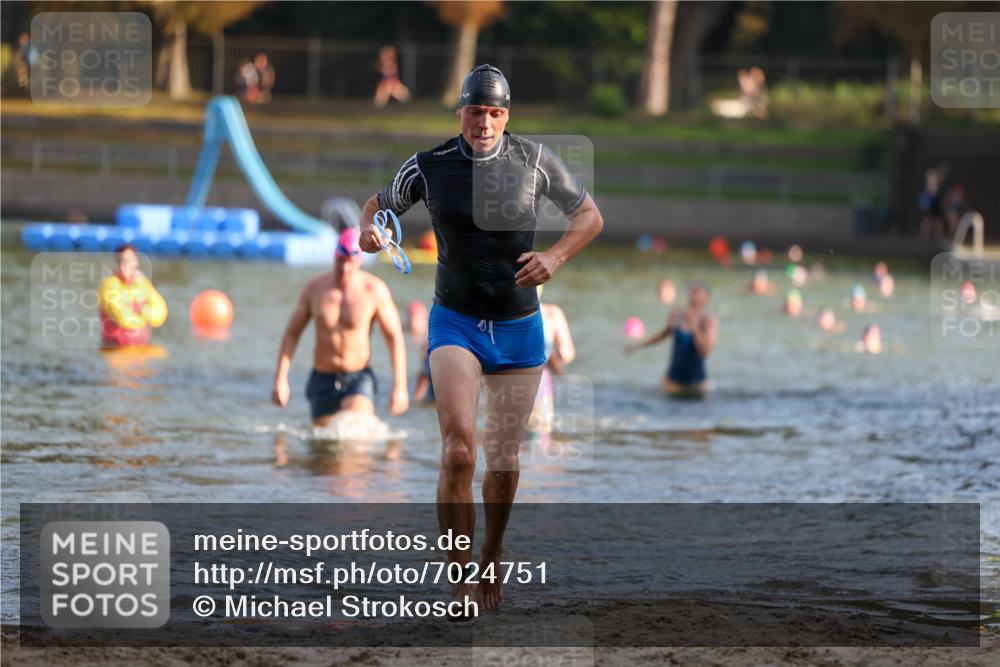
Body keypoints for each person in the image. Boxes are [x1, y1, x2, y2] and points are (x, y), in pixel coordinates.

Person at [359, 64, 603, 612]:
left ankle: (491, 553)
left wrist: (556, 255)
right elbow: (378, 206)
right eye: (476, 112)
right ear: (461, 112)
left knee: (504, 457)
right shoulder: (427, 166)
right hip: (455, 322)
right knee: (460, 451)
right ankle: (459, 577)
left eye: (495, 113)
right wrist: (368, 232)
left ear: (506, 116)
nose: (485, 123)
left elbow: (590, 216)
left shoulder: (536, 161)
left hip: (520, 327)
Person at [271, 228, 409, 426]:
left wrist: (400, 386)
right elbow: (292, 333)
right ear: (335, 257)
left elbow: (394, 337)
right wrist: (281, 378)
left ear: (360, 260)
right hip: (322, 378)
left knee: (354, 438)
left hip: (359, 378)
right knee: (326, 449)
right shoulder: (315, 289)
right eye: (340, 261)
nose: (344, 269)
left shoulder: (374, 290)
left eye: (350, 263)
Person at [626, 282, 718, 398]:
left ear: (706, 297)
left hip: (697, 384)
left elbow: (706, 351)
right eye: (692, 292)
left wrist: (694, 327)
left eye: (698, 293)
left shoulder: (708, 320)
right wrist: (638, 346)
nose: (694, 296)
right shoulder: (677, 314)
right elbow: (662, 335)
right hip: (672, 381)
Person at [97, 244, 168, 348]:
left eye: (131, 261)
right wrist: (145, 316)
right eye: (123, 261)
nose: (127, 265)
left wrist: (142, 310)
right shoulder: (109, 286)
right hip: (116, 350)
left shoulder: (142, 284)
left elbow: (161, 314)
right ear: (117, 264)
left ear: (137, 263)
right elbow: (124, 319)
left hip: (142, 349)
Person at [529, 286, 576, 433]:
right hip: (518, 382)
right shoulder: (550, 313)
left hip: (537, 383)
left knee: (537, 432)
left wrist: (556, 355)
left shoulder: (552, 313)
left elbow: (568, 353)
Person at [407, 301, 435, 403]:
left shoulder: (427, 340)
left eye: (415, 319)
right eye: (411, 319)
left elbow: (424, 374)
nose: (413, 323)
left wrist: (415, 400)